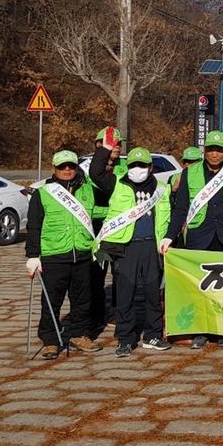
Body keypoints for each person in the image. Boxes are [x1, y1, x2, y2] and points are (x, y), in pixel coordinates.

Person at [163, 129, 223, 349]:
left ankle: (222, 330)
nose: (215, 154)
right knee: (199, 287)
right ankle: (200, 330)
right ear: (205, 151)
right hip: (199, 236)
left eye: (220, 150)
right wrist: (169, 236)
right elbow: (180, 209)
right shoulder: (190, 174)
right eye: (211, 149)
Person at [89, 142, 172, 357]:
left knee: (153, 294)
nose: (137, 169)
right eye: (133, 164)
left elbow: (169, 216)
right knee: (126, 294)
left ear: (150, 167)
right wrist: (105, 150)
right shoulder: (116, 184)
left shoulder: (162, 188)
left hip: (151, 247)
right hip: (126, 247)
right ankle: (125, 339)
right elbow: (95, 173)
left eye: (142, 165)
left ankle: (153, 335)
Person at [25, 150, 100, 359]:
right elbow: (34, 226)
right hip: (54, 254)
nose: (67, 170)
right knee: (52, 300)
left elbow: (100, 214)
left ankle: (79, 334)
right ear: (54, 169)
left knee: (82, 299)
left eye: (71, 166)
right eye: (62, 166)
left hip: (82, 254)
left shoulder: (88, 190)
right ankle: (50, 340)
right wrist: (32, 255)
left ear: (76, 167)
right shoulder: (43, 192)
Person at [86, 126, 125, 340]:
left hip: (120, 227)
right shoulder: (86, 168)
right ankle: (96, 315)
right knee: (97, 273)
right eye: (112, 143)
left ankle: (119, 313)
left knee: (120, 273)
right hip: (97, 228)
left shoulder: (127, 167)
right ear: (99, 145)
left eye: (119, 143)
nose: (116, 147)